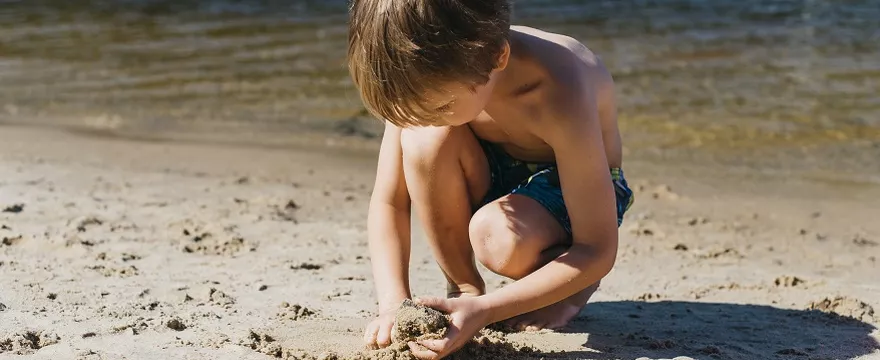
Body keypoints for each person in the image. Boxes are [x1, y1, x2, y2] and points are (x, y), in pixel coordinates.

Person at [347, 1, 634, 358]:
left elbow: (597, 249)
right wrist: (392, 303)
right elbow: (389, 201)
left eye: (439, 106)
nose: (423, 114)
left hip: (578, 189)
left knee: (496, 237)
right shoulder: (419, 74)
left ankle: (574, 289)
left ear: (498, 58)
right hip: (490, 165)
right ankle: (466, 291)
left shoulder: (558, 87)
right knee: (423, 139)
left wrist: (493, 311)